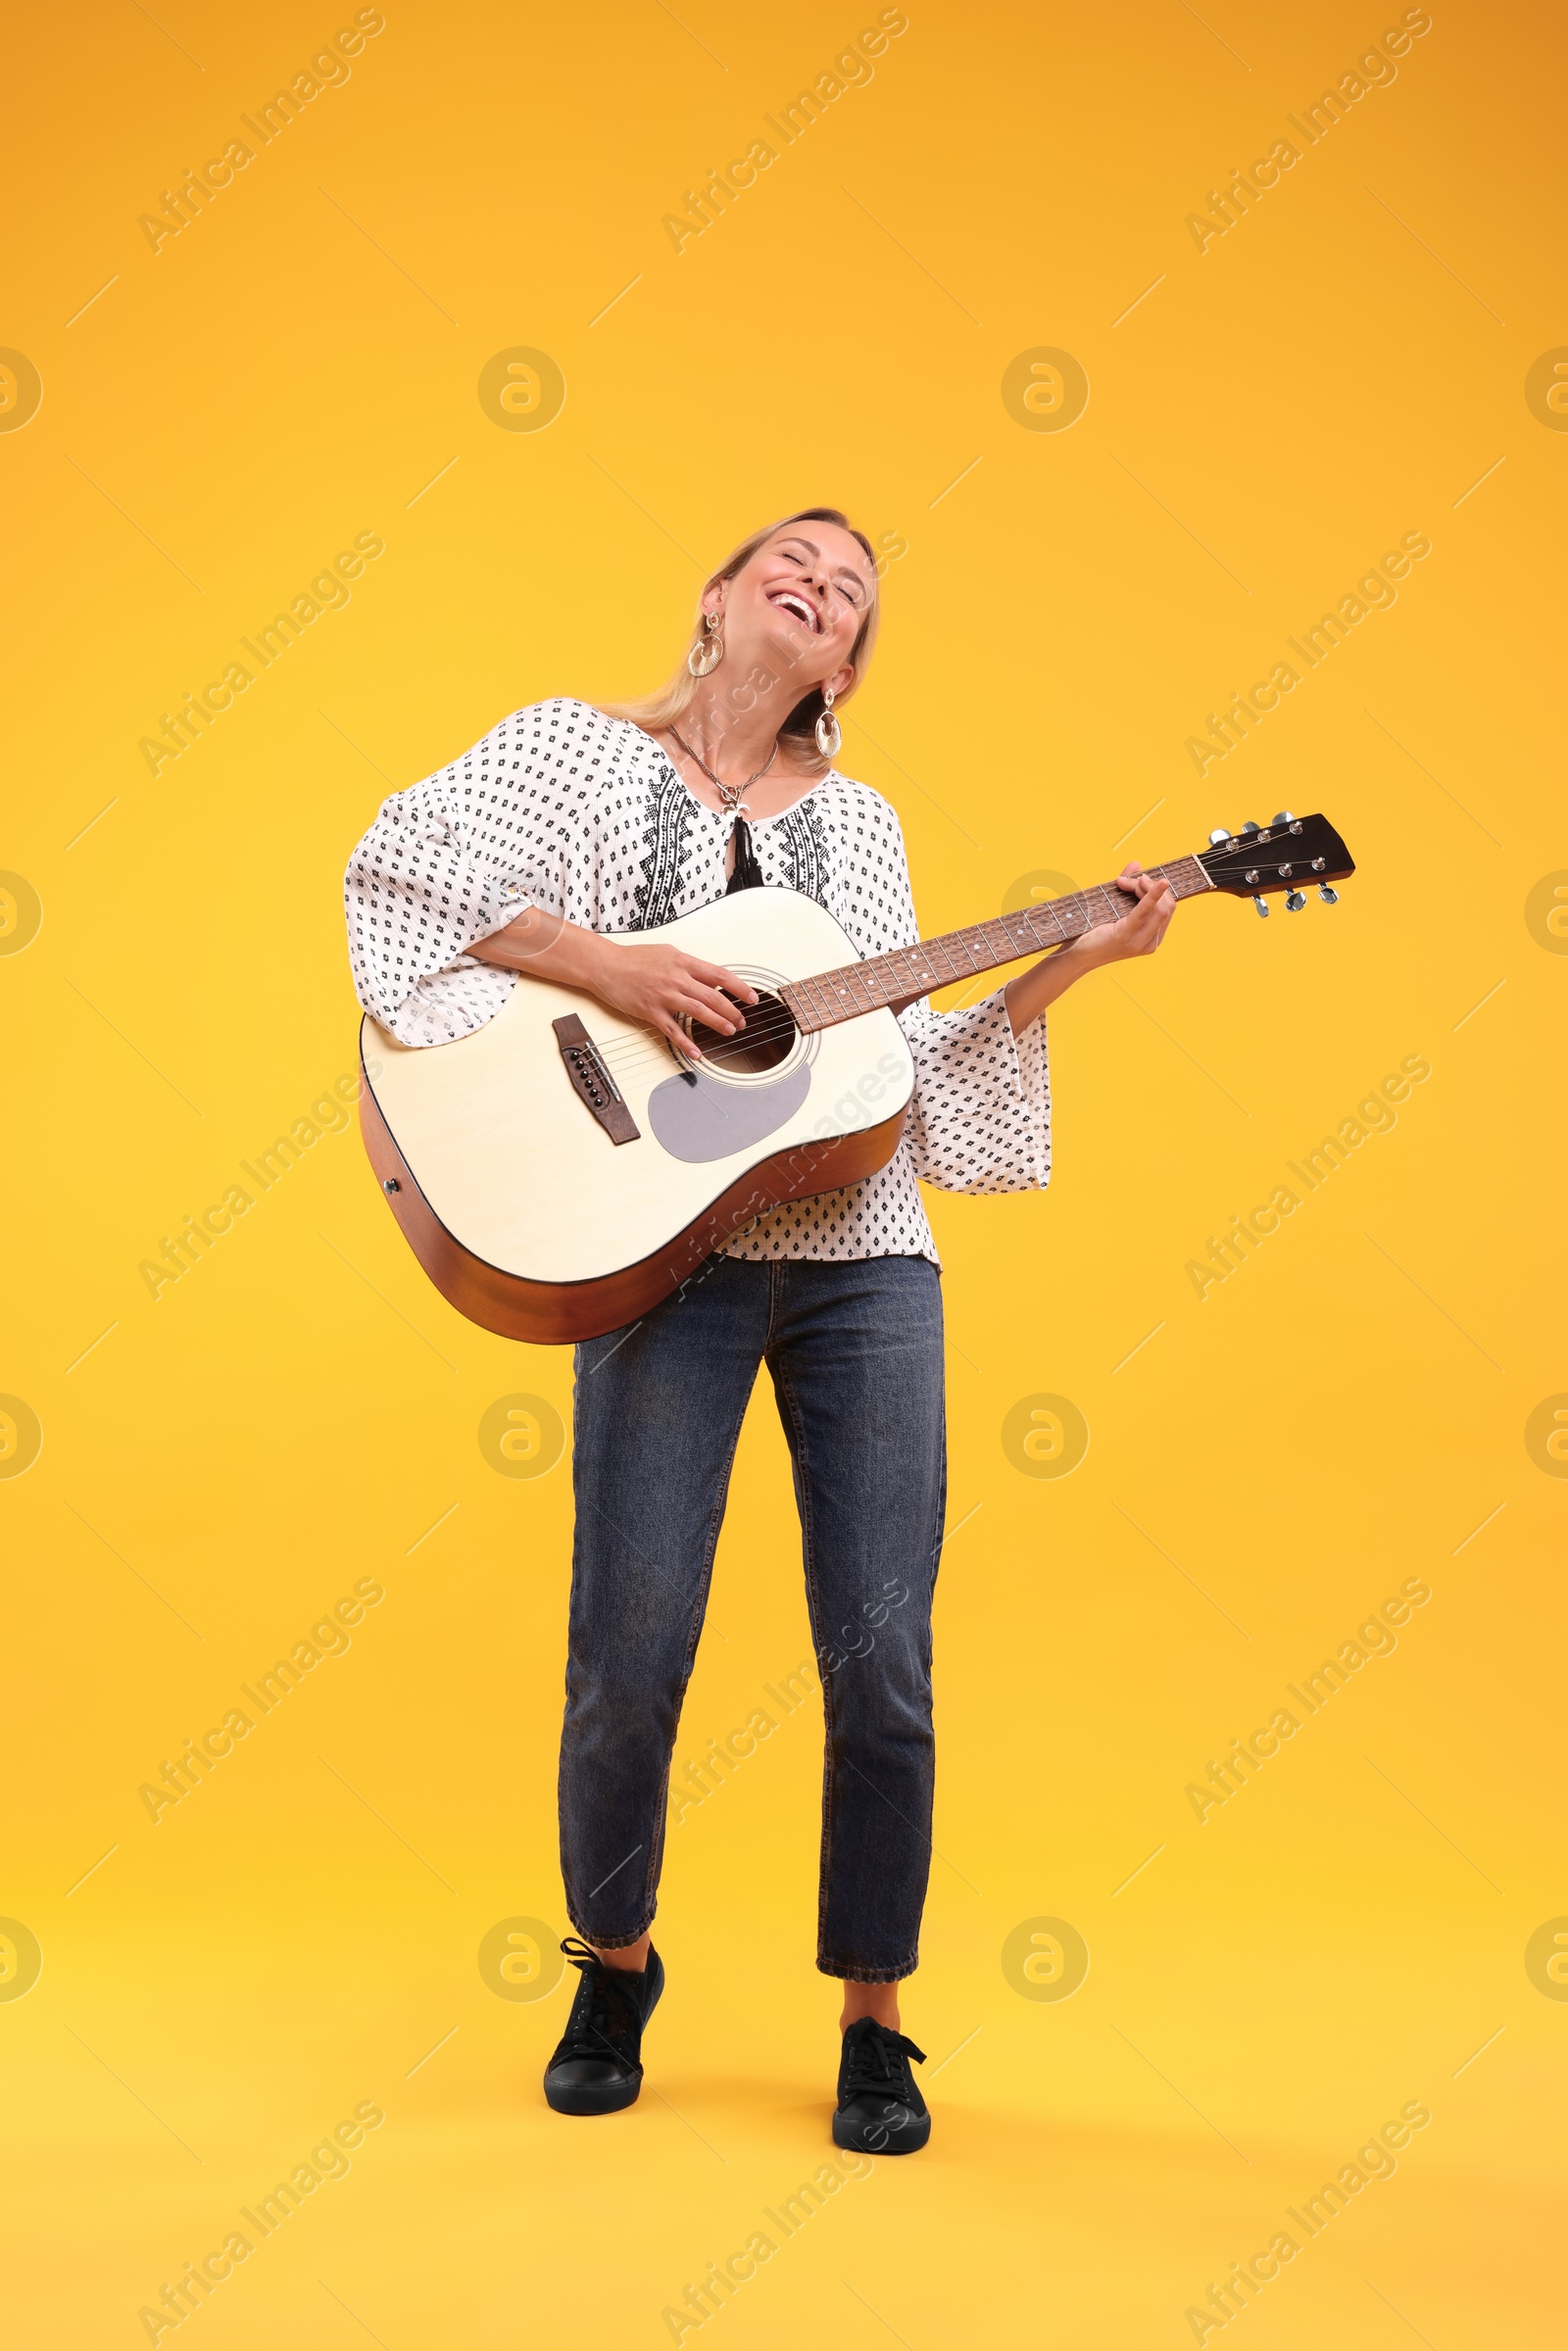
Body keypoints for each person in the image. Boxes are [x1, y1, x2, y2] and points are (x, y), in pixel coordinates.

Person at [343, 508, 1176, 2154]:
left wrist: (1069, 968)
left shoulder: (860, 831)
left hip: (862, 1265)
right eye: (793, 560)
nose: (823, 581)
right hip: (653, 1254)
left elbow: (891, 1079)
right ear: (719, 600)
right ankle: (614, 1962)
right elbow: (403, 877)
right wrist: (619, 970)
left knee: (884, 1665)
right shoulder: (568, 756)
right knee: (629, 1660)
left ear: (845, 665)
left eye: (852, 590)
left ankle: (874, 2016)